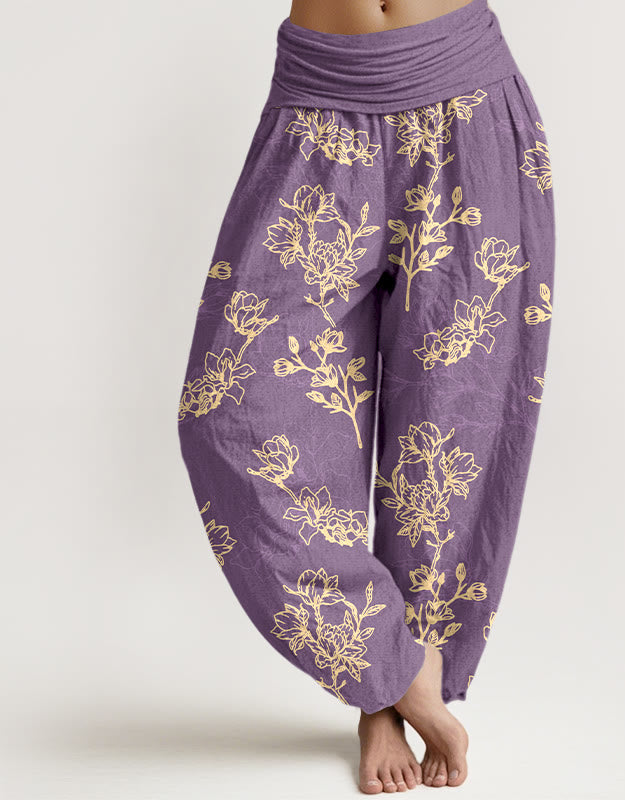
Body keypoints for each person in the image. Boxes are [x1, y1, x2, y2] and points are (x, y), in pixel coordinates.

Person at [177, 0, 555, 793]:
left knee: (447, 436)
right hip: (317, 107)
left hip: (465, 100)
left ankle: (385, 698)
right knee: (228, 412)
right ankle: (392, 663)